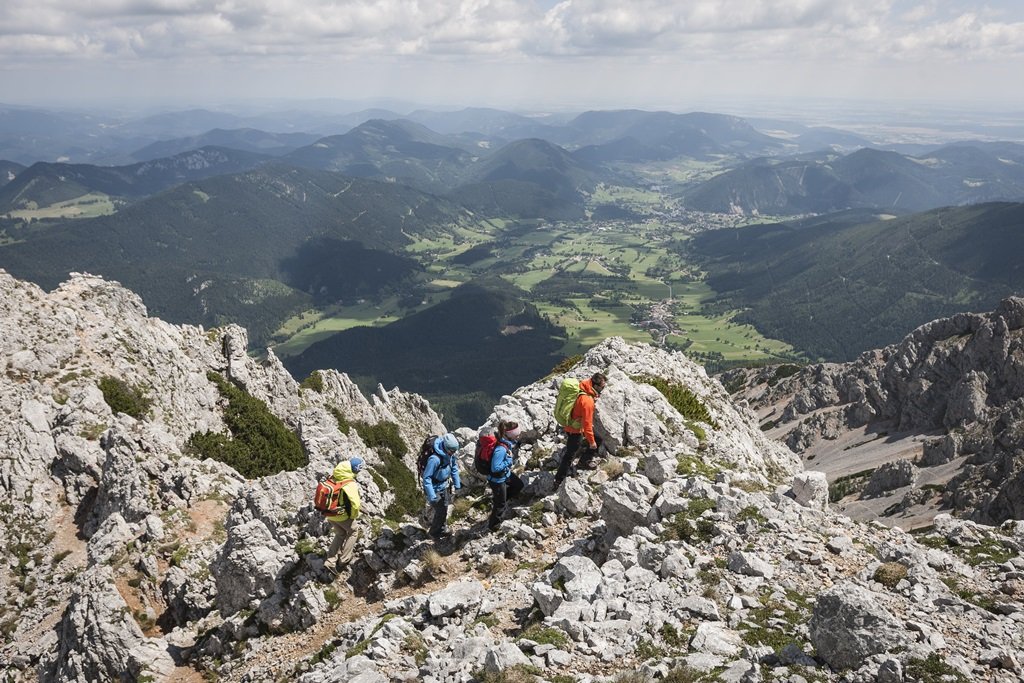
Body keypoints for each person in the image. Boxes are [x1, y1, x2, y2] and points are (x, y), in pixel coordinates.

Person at [554, 372, 607, 486]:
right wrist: (591, 443)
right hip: (575, 430)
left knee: (597, 439)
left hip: (569, 424)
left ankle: (584, 461)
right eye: (602, 387)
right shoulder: (587, 401)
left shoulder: (582, 386)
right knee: (570, 455)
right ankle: (558, 479)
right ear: (596, 386)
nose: (603, 389)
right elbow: (587, 425)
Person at [324, 456, 363, 569]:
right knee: (354, 531)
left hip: (328, 512)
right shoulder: (349, 483)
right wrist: (353, 516)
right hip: (340, 515)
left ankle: (330, 561)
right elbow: (355, 504)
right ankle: (344, 559)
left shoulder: (334, 475)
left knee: (340, 533)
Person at [422, 433, 462, 540]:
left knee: (444, 507)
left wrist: (457, 484)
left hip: (444, 485)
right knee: (441, 511)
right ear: (446, 448)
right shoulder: (434, 459)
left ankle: (442, 528)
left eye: (454, 451)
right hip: (434, 489)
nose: (453, 453)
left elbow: (453, 468)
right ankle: (434, 533)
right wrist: (431, 495)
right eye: (452, 451)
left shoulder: (450, 455)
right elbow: (427, 478)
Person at [488, 420, 526, 532]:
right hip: (497, 479)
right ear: (511, 435)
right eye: (517, 435)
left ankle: (499, 499)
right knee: (500, 504)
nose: (518, 437)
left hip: (505, 474)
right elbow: (495, 467)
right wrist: (508, 461)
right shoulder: (500, 448)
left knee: (518, 485)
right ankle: (493, 526)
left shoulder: (506, 442)